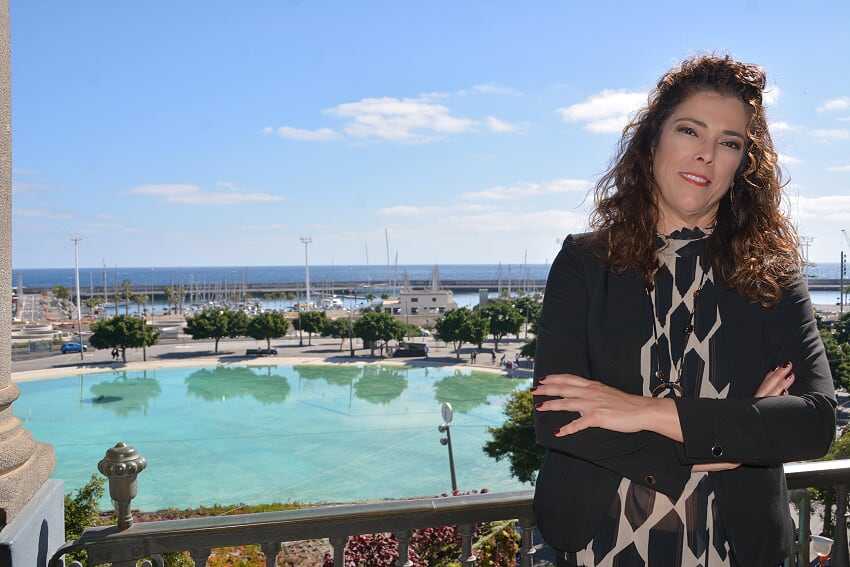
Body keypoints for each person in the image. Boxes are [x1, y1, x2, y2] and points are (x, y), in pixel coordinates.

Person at [531, 54, 836, 567]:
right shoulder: (585, 262)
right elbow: (558, 415)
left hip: (736, 549)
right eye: (690, 130)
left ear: (744, 164)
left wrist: (642, 411)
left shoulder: (772, 275)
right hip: (595, 546)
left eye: (729, 143)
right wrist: (731, 436)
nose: (706, 155)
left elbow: (814, 423)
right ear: (653, 140)